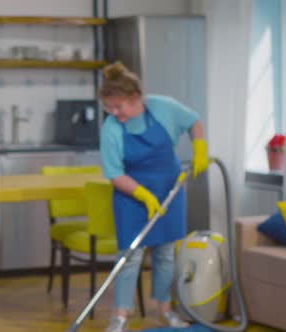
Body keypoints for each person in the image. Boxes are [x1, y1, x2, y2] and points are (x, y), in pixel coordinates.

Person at [99, 62, 209, 331]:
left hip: (169, 191)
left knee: (165, 255)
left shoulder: (163, 107)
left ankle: (165, 310)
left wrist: (200, 148)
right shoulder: (112, 127)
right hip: (131, 195)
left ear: (135, 98)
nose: (114, 113)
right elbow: (114, 173)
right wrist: (143, 195)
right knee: (130, 256)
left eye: (119, 107)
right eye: (109, 108)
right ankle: (120, 315)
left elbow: (194, 121)